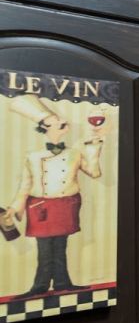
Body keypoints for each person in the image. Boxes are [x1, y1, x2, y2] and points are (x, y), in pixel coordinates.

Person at [7, 97, 108, 296]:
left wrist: (94, 146)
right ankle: (40, 286)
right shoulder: (33, 156)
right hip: (41, 207)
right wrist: (14, 207)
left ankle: (62, 283)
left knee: (61, 246)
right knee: (44, 249)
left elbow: (94, 173)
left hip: (65, 205)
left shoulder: (74, 153)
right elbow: (25, 185)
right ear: (45, 127)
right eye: (56, 121)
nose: (63, 122)